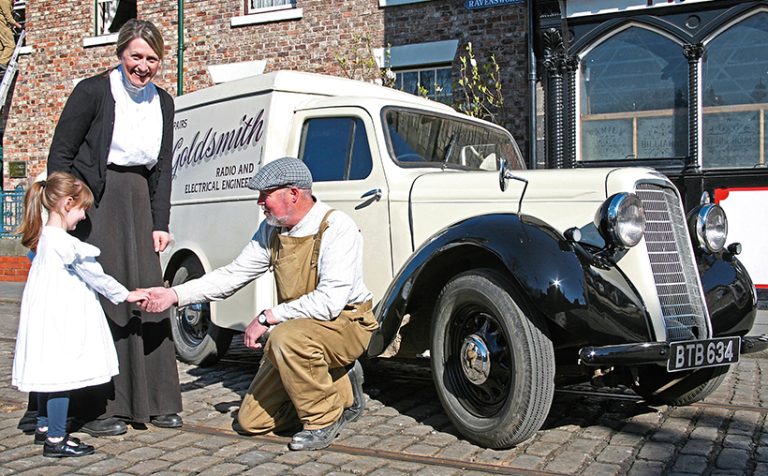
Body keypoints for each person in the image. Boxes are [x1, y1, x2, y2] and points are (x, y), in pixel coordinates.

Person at [143, 157, 378, 451]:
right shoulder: (272, 230)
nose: (259, 202)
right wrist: (174, 295)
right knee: (252, 422)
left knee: (284, 338)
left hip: (346, 324)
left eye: (265, 195)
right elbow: (233, 275)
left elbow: (329, 303)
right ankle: (341, 385)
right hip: (300, 331)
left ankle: (323, 420)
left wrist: (268, 317)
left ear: (293, 194)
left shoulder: (337, 227)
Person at [45, 18, 181, 436]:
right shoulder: (92, 92)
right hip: (96, 204)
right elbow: (61, 154)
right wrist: (65, 211)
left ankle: (157, 400)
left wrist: (160, 221)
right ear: (121, 53)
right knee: (104, 299)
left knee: (148, 296)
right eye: (136, 57)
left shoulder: (164, 101)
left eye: (152, 59)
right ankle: (103, 407)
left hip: (140, 202)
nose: (143, 66)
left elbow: (162, 169)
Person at [12, 172, 149, 457]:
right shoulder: (65, 244)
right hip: (63, 319)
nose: (84, 218)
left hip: (46, 317)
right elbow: (95, 276)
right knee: (62, 376)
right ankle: (56, 439)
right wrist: (126, 294)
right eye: (82, 209)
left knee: (49, 372)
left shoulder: (44, 241)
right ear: (67, 203)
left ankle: (44, 426)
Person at [0, 0, 21, 71]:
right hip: (1, 25)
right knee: (10, 45)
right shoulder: (5, 1)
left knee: (2, 47)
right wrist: (20, 26)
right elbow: (9, 18)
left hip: (3, 24)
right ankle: (2, 62)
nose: (15, 2)